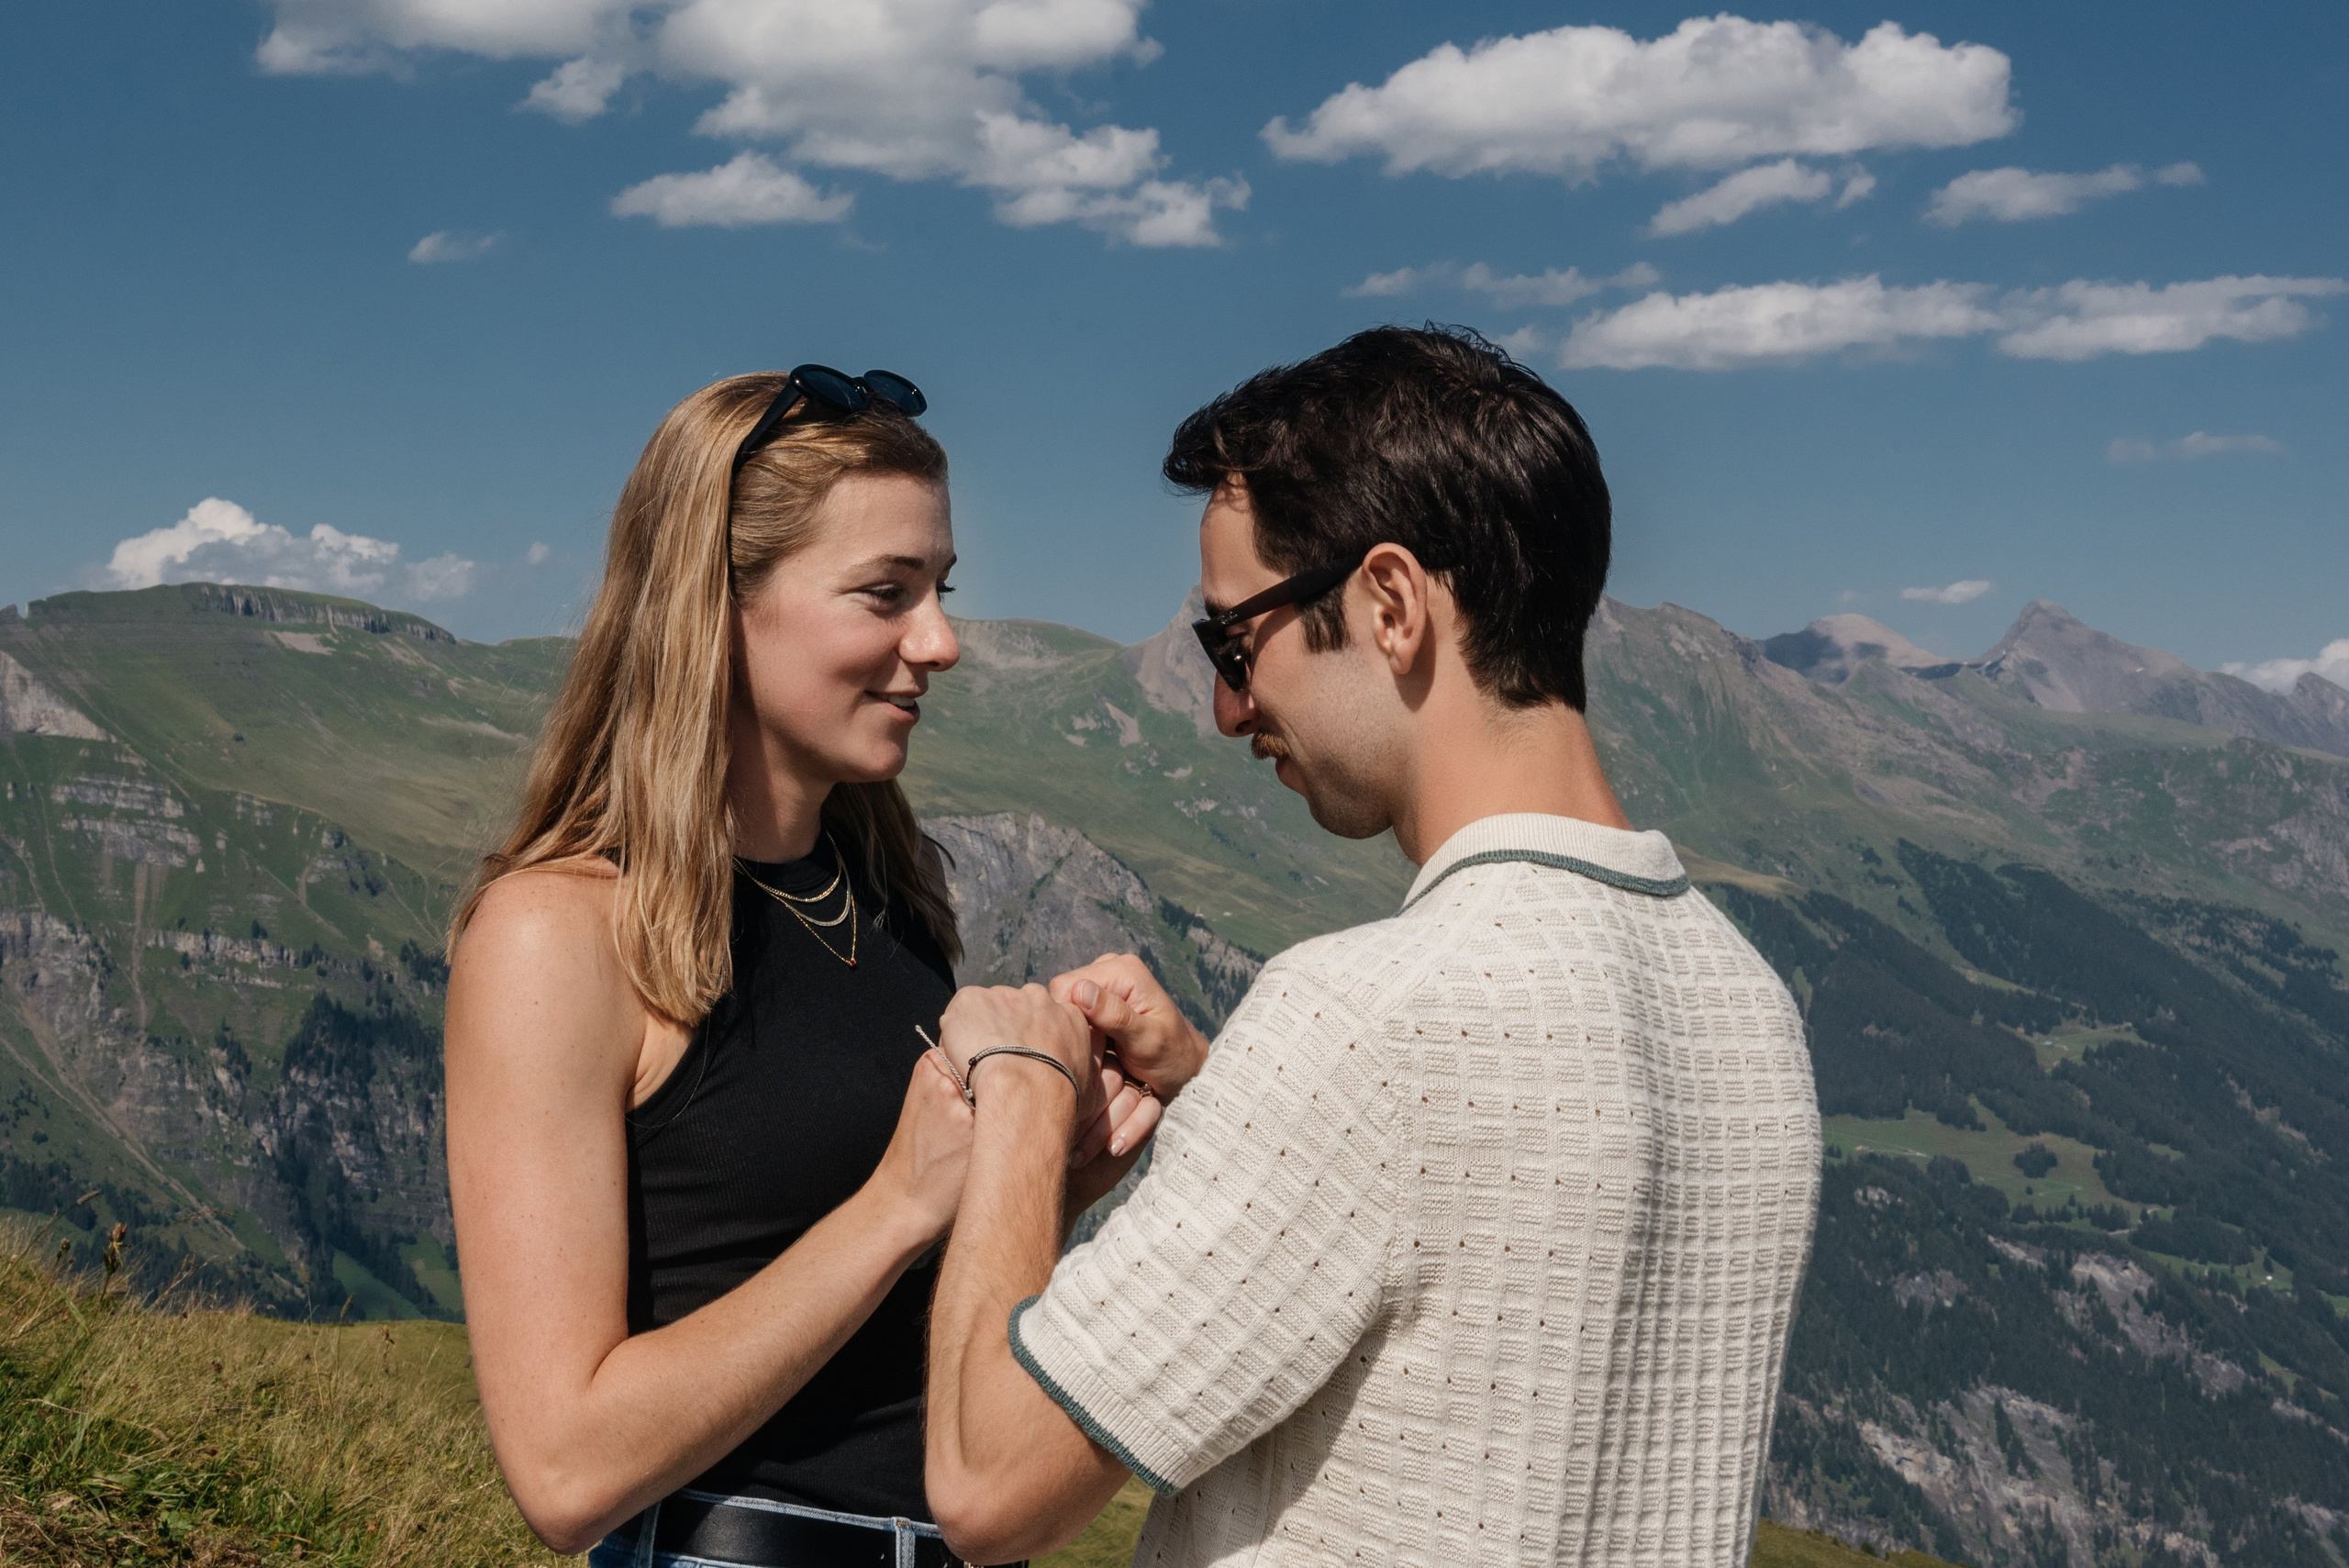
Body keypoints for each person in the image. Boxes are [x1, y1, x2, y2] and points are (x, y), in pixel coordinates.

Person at [923, 327, 1823, 1566]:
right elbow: (1473, 1276)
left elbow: (983, 1478)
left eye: (1234, 642)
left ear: (1391, 603)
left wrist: (1023, 1088)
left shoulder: (1359, 1020)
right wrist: (1218, 1100)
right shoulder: (1751, 1007)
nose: (1231, 705)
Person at [442, 365, 1152, 1568]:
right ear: (717, 607)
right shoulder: (556, 933)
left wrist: (1047, 1179)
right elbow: (565, 1468)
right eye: (887, 592)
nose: (940, 642)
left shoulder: (890, 898)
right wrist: (895, 1206)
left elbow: (894, 1321)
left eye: (940, 589)